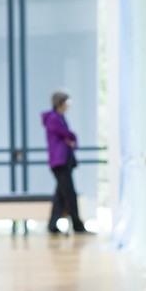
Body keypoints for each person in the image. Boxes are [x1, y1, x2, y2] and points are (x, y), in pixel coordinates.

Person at [42, 90, 88, 233]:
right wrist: (71, 138)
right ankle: (77, 225)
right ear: (60, 104)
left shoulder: (59, 118)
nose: (68, 106)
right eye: (67, 103)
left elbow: (70, 138)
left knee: (61, 195)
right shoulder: (54, 119)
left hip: (63, 160)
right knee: (69, 193)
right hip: (59, 162)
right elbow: (69, 135)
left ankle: (52, 225)